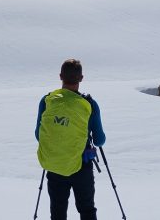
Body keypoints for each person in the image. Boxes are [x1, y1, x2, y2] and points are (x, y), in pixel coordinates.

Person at [35, 59, 105, 220]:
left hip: (54, 164)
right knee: (86, 209)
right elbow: (100, 140)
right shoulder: (88, 104)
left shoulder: (47, 101)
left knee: (58, 211)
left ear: (60, 76)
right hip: (81, 165)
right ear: (81, 78)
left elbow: (38, 135)